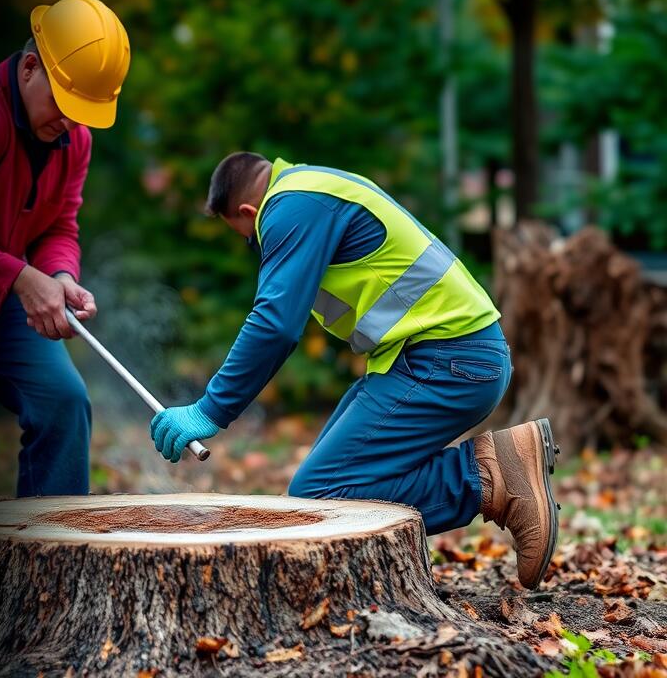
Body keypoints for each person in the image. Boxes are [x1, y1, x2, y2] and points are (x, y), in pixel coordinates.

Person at [149, 152, 559, 588]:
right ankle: (486, 475)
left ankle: (490, 478)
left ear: (249, 212)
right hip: (434, 357)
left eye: (250, 239)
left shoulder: (291, 207)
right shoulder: (313, 189)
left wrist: (210, 409)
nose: (260, 248)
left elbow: (275, 324)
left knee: (319, 496)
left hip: (447, 359)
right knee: (320, 485)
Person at [0, 0, 131, 504]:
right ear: (31, 67)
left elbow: (59, 223)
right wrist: (22, 278)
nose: (69, 122)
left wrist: (59, 275)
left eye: (81, 112)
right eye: (64, 104)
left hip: (0, 304)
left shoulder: (74, 138)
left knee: (64, 403)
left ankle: (54, 560)